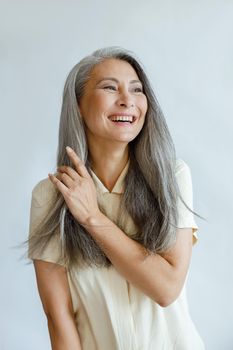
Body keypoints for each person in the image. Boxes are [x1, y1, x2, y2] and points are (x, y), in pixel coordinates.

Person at [27, 46, 205, 350]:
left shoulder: (172, 177)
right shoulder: (51, 196)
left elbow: (166, 288)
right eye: (110, 87)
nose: (127, 100)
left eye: (137, 90)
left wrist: (93, 218)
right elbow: (58, 317)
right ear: (79, 106)